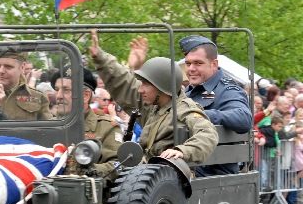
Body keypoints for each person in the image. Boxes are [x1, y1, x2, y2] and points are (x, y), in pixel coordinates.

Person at [89, 31, 218, 165]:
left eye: (146, 84)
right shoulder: (154, 106)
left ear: (161, 87)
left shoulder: (184, 110)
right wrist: (100, 58)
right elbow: (124, 84)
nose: (141, 89)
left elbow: (208, 134)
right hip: (148, 173)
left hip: (167, 177)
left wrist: (183, 151)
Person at [179, 35, 252, 175]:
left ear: (213, 64)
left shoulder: (227, 90)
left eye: (198, 63)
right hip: (187, 168)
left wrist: (199, 115)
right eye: (188, 64)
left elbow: (243, 118)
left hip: (212, 175)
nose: (191, 69)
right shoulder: (189, 91)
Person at [52, 67, 120, 177]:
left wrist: (87, 170)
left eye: (66, 90)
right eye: (56, 89)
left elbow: (119, 164)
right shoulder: (48, 126)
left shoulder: (106, 127)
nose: (58, 96)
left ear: (85, 96)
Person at [0, 51, 52, 121]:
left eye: (8, 66)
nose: (1, 71)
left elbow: (48, 129)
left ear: (22, 67)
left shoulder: (37, 96)